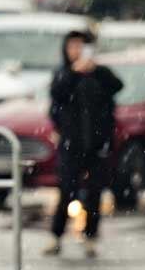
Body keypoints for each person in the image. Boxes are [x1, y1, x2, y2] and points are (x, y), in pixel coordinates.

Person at [45, 30, 123, 258]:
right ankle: (56, 235)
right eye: (72, 46)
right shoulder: (64, 73)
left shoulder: (100, 73)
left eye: (81, 46)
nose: (76, 51)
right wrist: (74, 73)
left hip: (96, 143)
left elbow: (117, 86)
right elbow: (57, 94)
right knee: (66, 190)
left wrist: (95, 69)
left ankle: (90, 236)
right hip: (72, 142)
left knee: (94, 192)